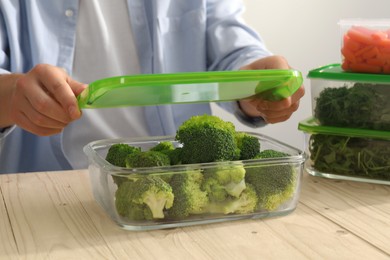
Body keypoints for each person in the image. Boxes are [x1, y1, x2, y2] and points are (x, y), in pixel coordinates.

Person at [0, 0, 304, 174]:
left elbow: (231, 47)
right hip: (46, 189)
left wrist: (254, 83)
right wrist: (13, 94)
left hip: (183, 179)